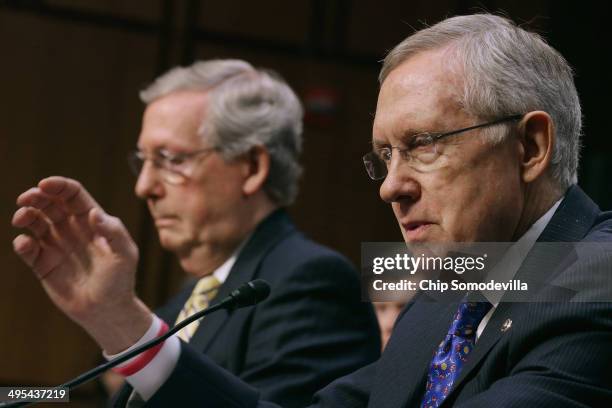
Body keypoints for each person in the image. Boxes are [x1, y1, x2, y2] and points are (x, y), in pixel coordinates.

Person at [13, 14, 612, 407]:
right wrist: (121, 321)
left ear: (530, 147)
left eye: (423, 144)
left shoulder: (596, 278)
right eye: (384, 156)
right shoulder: (448, 294)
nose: (390, 187)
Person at [11, 59, 380, 408]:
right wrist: (108, 315)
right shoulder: (182, 305)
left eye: (171, 160)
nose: (144, 187)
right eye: (143, 161)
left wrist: (122, 318)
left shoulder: (312, 282)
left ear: (251, 167)